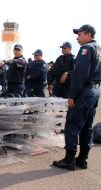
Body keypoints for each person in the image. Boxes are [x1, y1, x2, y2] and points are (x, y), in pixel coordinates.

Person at [53, 24, 101, 171]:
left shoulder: (86, 49)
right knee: (86, 127)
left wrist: (72, 95)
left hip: (84, 92)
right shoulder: (98, 49)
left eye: (79, 34)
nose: (77, 37)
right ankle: (82, 159)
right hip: (94, 91)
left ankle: (69, 160)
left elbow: (81, 74)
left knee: (72, 125)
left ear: (88, 35)